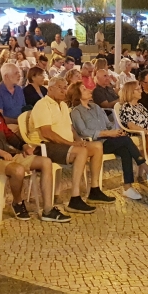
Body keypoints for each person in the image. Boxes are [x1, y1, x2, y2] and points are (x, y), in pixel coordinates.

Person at [0, 80, 67, 222]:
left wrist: (23, 145)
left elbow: (8, 134)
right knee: (18, 170)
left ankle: (48, 209)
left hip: (9, 154)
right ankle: (17, 202)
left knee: (45, 162)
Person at [27, 77, 114, 213]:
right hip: (46, 145)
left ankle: (94, 190)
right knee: (81, 152)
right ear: (50, 89)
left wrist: (79, 140)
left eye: (65, 87)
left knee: (96, 146)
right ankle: (75, 198)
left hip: (65, 145)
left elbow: (71, 128)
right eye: (60, 87)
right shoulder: (42, 105)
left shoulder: (62, 105)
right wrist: (72, 144)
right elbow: (47, 133)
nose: (64, 90)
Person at [68, 82, 148, 200]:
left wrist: (116, 131)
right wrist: (108, 133)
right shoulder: (76, 112)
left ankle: (128, 187)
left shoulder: (96, 107)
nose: (89, 90)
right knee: (126, 141)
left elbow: (108, 124)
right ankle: (147, 170)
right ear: (78, 95)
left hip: (109, 139)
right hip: (96, 143)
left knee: (126, 149)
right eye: (84, 89)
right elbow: (84, 132)